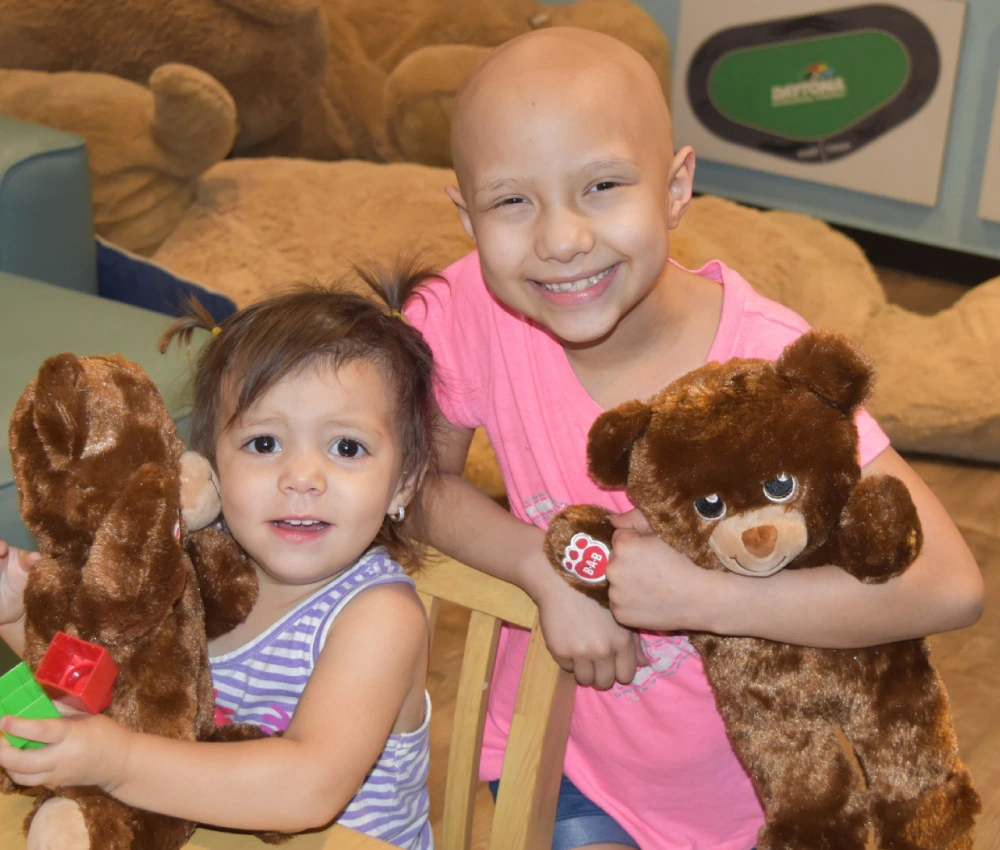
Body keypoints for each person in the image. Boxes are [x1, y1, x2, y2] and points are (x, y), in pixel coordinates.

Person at [402, 26, 984, 850]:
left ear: (676, 188)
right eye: (511, 201)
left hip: (768, 798)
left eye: (602, 185)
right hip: (565, 761)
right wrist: (545, 567)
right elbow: (410, 481)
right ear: (466, 217)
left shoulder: (771, 364)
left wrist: (704, 596)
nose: (561, 238)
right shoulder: (465, 310)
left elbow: (950, 585)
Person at [0, 265, 438, 848]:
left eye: (346, 447)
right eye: (264, 443)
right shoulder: (190, 570)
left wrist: (119, 761)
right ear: (207, 467)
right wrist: (18, 619)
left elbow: (306, 790)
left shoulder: (379, 618)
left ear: (404, 483)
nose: (302, 477)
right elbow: (123, 675)